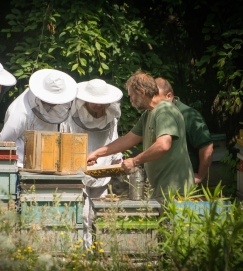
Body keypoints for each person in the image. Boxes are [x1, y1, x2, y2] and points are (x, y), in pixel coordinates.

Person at [87, 70, 194, 205]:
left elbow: (163, 145)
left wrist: (135, 161)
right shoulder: (148, 114)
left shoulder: (165, 110)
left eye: (132, 95)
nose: (130, 100)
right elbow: (127, 140)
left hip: (175, 189)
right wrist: (96, 154)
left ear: (142, 92)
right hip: (161, 188)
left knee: (176, 226)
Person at [60, 79, 123, 248]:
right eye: (95, 102)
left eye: (102, 102)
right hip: (77, 170)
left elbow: (114, 139)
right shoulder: (72, 116)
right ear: (85, 99)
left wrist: (117, 158)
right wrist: (77, 160)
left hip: (102, 168)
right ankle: (81, 252)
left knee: (97, 216)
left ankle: (97, 251)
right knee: (81, 215)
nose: (99, 106)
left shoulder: (111, 116)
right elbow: (65, 140)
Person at [0, 69, 77, 168]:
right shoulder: (21, 113)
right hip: (20, 167)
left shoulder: (53, 107)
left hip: (46, 165)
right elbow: (2, 142)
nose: (56, 103)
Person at [155, 78, 213, 184]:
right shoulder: (157, 114)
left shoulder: (189, 115)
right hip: (164, 180)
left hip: (186, 182)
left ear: (169, 96)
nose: (154, 103)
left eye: (157, 99)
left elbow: (206, 147)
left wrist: (200, 175)